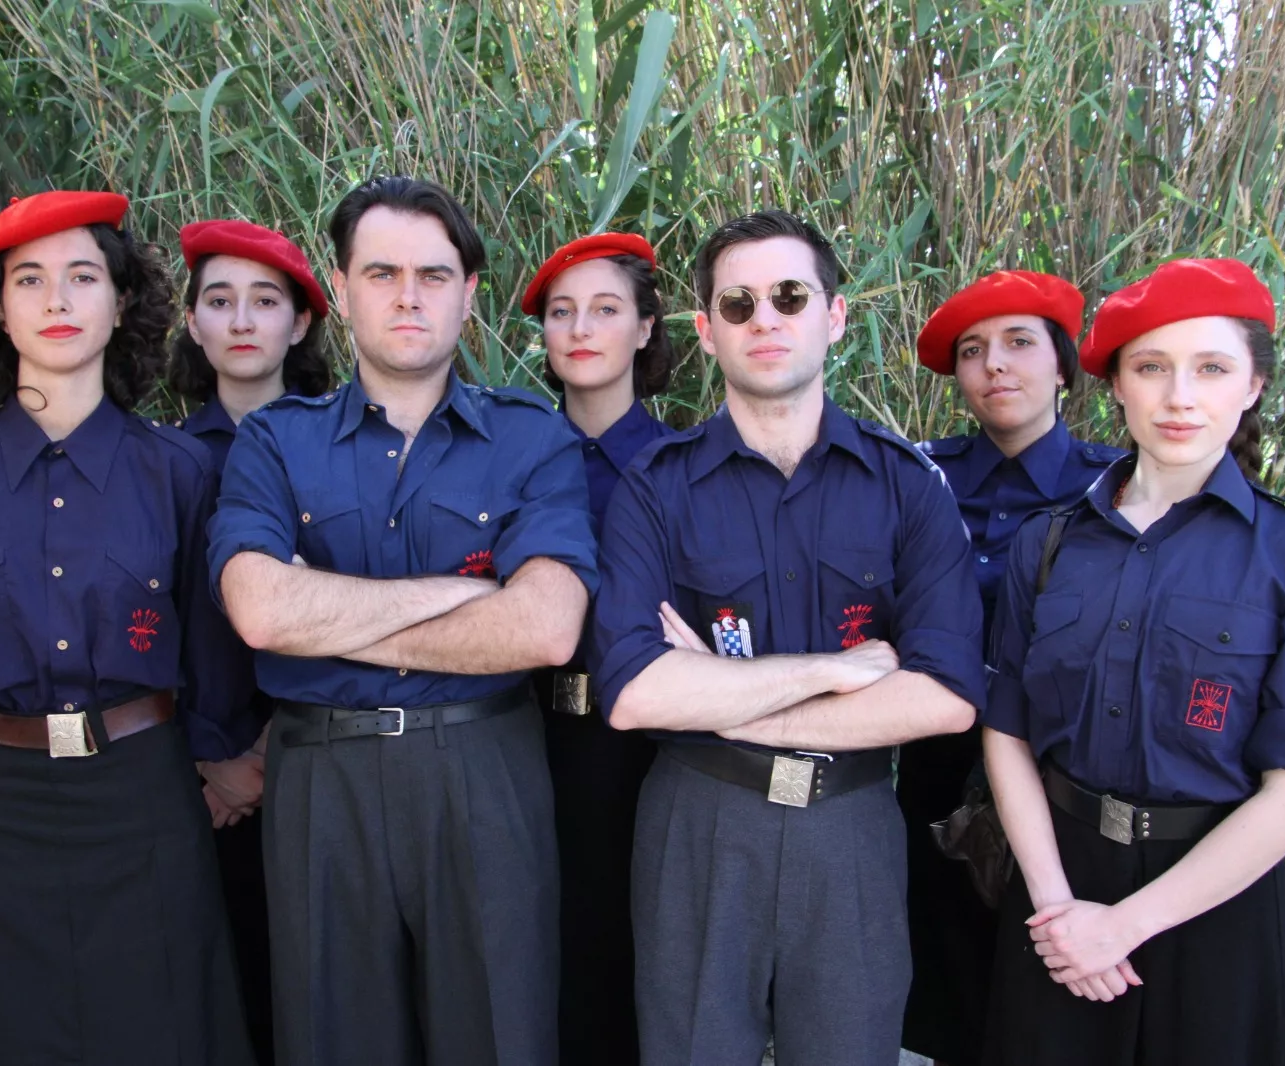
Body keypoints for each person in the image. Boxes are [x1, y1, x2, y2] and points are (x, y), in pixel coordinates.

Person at [206, 175, 598, 1066]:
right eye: (381, 273)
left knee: (495, 1035)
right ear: (340, 292)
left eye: (434, 273)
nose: (409, 294)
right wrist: (467, 593)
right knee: (333, 1038)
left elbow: (543, 630)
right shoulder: (275, 441)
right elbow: (260, 610)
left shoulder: (532, 439)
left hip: (484, 771)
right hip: (320, 781)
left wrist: (330, 611)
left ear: (469, 293)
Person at [589, 209, 988, 1066]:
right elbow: (632, 692)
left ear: (834, 315)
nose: (763, 319)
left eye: (789, 295)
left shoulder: (907, 486)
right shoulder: (655, 489)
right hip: (699, 825)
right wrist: (835, 670)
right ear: (704, 331)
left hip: (847, 827)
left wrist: (725, 699)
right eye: (737, 304)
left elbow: (948, 696)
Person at [0, 190, 258, 1065]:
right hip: (2, 802)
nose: (57, 302)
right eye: (30, 280)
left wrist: (214, 770)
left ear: (122, 302)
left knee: (165, 1026)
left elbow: (211, 658)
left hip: (146, 796)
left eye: (82, 277)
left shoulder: (178, 472)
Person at [981, 258, 1285, 1066]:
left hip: (1216, 905)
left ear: (1254, 384)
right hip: (1059, 885)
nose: (1180, 396)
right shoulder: (1046, 544)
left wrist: (1119, 929)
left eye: (1212, 368)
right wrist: (1059, 913)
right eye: (1151, 368)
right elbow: (1008, 729)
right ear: (1117, 386)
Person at [903, 271, 1125, 1066]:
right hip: (939, 770)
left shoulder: (1119, 485)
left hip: (1065, 771)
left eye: (1019, 343)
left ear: (1063, 366)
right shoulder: (917, 477)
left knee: (1054, 990)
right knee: (954, 989)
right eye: (973, 350)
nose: (995, 365)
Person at [165, 217, 336, 1066]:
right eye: (219, 301)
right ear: (192, 323)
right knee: (233, 987)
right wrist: (217, 760)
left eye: (264, 301)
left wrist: (279, 746)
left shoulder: (344, 447)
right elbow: (155, 625)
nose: (241, 320)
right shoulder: (163, 461)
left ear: (299, 322)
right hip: (207, 778)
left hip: (330, 755)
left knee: (332, 988)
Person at [520, 231, 677, 1065]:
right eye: (561, 311)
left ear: (645, 329)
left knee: (631, 965)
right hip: (519, 737)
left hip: (646, 753)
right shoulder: (507, 454)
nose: (581, 328)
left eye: (606, 310)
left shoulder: (682, 466)